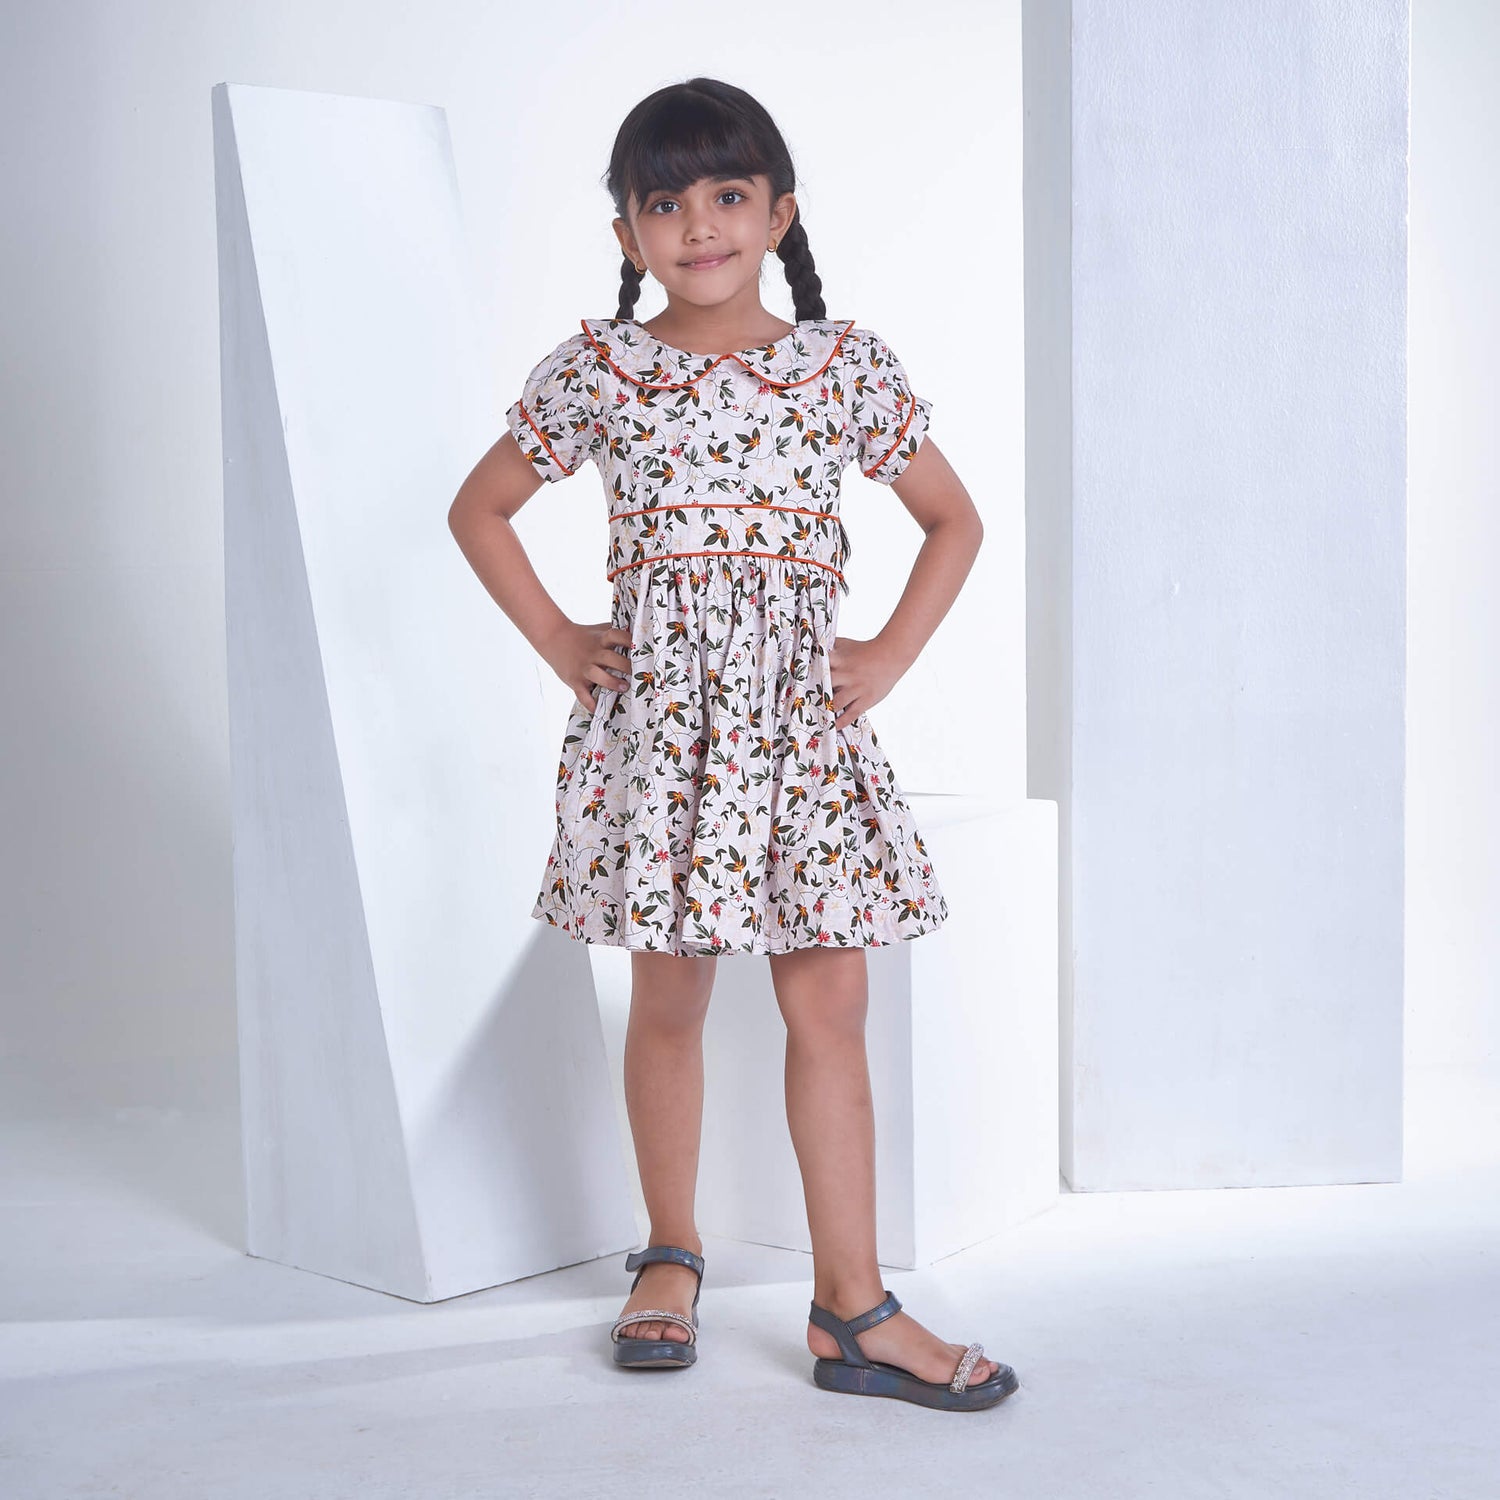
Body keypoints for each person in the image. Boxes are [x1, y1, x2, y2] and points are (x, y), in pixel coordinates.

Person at [448, 77, 1015, 1412]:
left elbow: (956, 521)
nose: (697, 224)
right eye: (663, 202)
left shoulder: (843, 368)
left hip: (799, 740)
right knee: (673, 993)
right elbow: (482, 508)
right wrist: (558, 640)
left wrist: (881, 658)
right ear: (627, 232)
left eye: (725, 194)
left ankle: (853, 1304)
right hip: (669, 738)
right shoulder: (602, 371)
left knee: (832, 997)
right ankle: (671, 1252)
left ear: (778, 211)